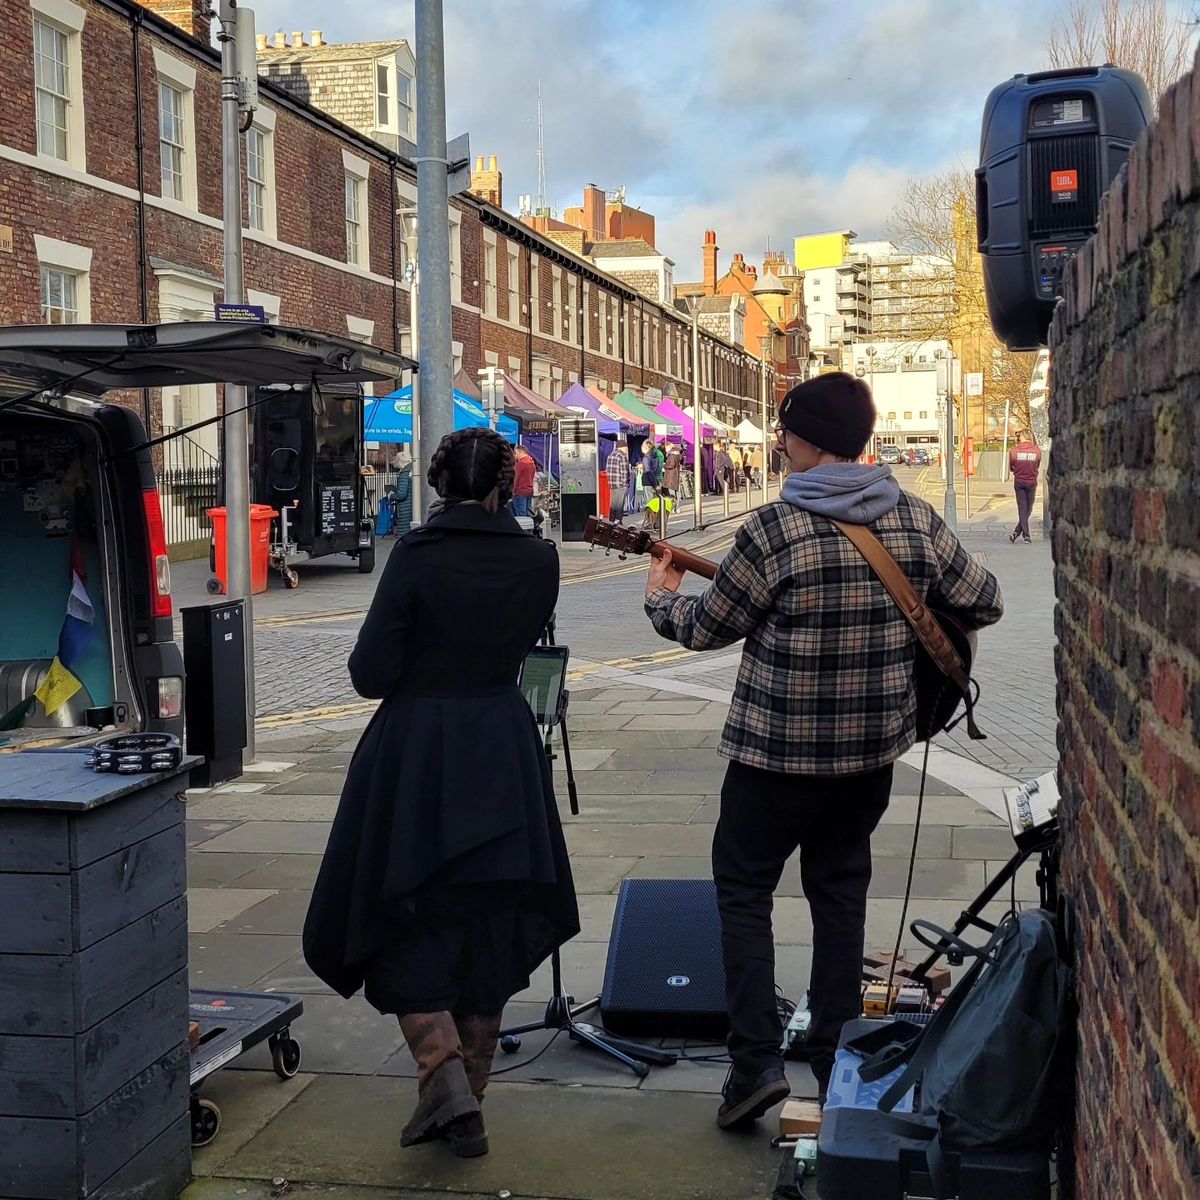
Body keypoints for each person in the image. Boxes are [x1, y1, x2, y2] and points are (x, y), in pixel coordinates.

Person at [642, 372, 1003, 1129]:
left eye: (786, 431)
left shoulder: (773, 529)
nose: (778, 442)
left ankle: (753, 1069)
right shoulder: (915, 518)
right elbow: (986, 599)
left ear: (810, 441)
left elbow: (704, 626)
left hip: (771, 760)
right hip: (868, 758)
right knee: (839, 895)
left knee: (743, 896)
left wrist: (658, 594)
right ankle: (836, 1055)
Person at [303, 428, 579, 1158]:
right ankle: (468, 1098)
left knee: (401, 912)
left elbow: (370, 673)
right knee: (489, 919)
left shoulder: (415, 557)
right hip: (501, 745)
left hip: (417, 754)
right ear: (506, 488)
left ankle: (446, 1080)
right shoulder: (538, 560)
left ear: (438, 485)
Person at [1008, 429, 1042, 544]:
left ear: (1023, 437)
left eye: (1020, 436)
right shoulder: (1037, 451)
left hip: (1019, 482)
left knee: (1023, 508)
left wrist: (1017, 470)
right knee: (1029, 508)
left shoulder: (1014, 451)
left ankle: (1017, 533)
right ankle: (1026, 535)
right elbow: (1037, 465)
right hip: (1031, 482)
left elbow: (1011, 466)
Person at [605, 443, 631, 522]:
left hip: (612, 484)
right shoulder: (622, 456)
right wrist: (625, 484)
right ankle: (618, 523)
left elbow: (607, 470)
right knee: (619, 506)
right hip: (620, 484)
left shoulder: (610, 455)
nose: (627, 449)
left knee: (613, 505)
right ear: (623, 447)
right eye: (626, 447)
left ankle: (611, 521)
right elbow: (624, 472)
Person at [511, 444, 536, 518]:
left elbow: (515, 479)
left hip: (520, 492)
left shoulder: (520, 464)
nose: (515, 455)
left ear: (522, 453)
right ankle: (530, 529)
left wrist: (512, 491)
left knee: (521, 515)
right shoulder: (532, 463)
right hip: (529, 491)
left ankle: (524, 530)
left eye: (516, 453)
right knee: (529, 513)